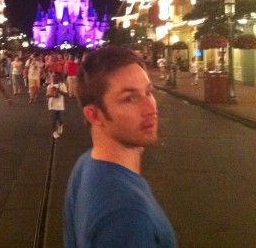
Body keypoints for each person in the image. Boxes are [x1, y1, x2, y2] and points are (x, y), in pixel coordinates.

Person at [64, 46, 177, 248]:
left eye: (148, 92)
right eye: (129, 98)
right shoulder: (127, 216)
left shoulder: (86, 164)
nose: (151, 108)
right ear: (94, 115)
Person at [46, 72, 68, 138]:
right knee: (53, 119)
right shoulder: (49, 86)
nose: (54, 78)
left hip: (60, 105)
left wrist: (58, 91)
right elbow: (47, 95)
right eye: (53, 76)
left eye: (55, 76)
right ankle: (54, 132)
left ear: (58, 77)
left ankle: (60, 125)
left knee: (60, 119)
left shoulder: (62, 85)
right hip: (52, 105)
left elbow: (66, 94)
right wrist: (51, 95)